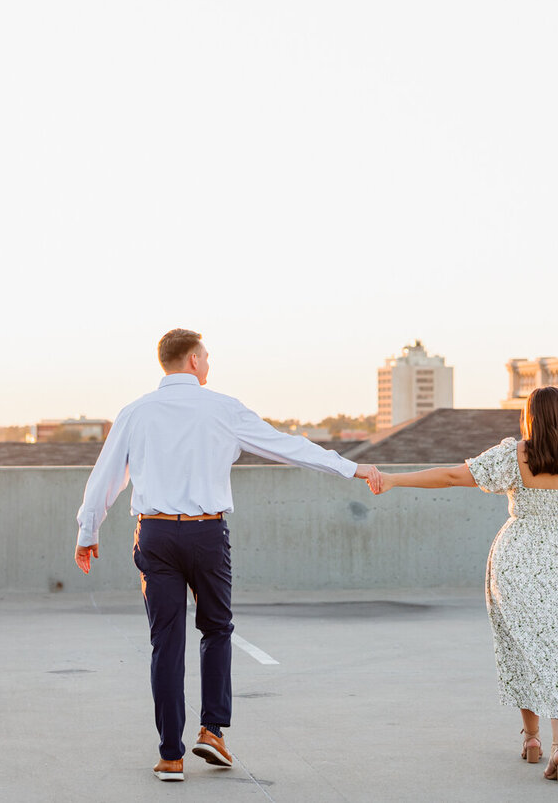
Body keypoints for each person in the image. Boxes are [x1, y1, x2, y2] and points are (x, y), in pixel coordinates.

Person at [75, 328, 382, 782]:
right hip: (206, 533)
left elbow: (106, 476)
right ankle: (213, 731)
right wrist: (352, 468)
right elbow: (288, 446)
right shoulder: (223, 408)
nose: (208, 363)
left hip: (156, 534)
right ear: (193, 359)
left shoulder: (135, 412)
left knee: (166, 642)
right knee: (216, 629)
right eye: (206, 356)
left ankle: (170, 756)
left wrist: (88, 530)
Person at [367, 385, 558, 783]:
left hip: (517, 558)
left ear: (529, 416)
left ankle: (531, 739)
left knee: (522, 646)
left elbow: (451, 476)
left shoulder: (512, 456)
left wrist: (394, 480)